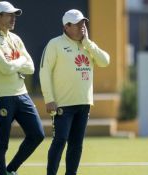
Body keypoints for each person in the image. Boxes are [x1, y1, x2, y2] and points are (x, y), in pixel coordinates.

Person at [39, 9, 110, 175]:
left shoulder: (88, 45)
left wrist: (88, 43)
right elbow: (44, 72)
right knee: (60, 140)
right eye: (78, 24)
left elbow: (105, 61)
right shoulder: (54, 44)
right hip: (63, 104)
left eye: (83, 23)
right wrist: (49, 98)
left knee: (77, 144)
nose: (82, 27)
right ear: (66, 26)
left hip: (84, 104)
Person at [0, 1, 45, 175]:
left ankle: (11, 170)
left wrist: (16, 63)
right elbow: (5, 68)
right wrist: (20, 61)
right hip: (2, 97)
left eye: (14, 15)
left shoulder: (15, 39)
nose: (13, 18)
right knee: (1, 143)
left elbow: (30, 68)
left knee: (37, 134)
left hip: (22, 94)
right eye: (9, 14)